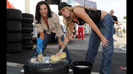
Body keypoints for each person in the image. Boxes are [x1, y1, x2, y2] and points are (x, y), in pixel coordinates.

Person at [57, 2, 114, 74]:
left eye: (64, 10)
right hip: (96, 24)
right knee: (91, 49)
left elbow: (91, 24)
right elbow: (68, 37)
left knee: (106, 46)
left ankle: (104, 72)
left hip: (105, 19)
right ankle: (86, 71)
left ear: (68, 8)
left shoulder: (76, 10)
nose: (63, 13)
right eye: (61, 12)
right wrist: (61, 50)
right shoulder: (71, 20)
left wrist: (102, 37)